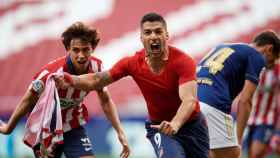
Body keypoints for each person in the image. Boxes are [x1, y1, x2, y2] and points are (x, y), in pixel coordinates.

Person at [56, 12, 209, 158]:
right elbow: (97, 80)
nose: (153, 37)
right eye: (148, 33)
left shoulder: (183, 62)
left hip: (193, 126)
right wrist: (70, 79)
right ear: (141, 38)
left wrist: (175, 123)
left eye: (158, 32)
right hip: (159, 128)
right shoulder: (132, 63)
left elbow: (189, 100)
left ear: (166, 35)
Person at [0, 22, 130, 158]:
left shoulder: (97, 67)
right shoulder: (50, 73)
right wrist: (9, 128)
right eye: (76, 50)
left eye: (85, 49)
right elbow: (28, 99)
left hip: (72, 125)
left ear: (93, 48)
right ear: (68, 49)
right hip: (46, 129)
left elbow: (105, 100)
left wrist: (119, 131)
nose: (81, 55)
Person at [196, 30, 280, 158]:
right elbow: (245, 100)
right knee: (233, 153)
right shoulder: (256, 56)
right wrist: (238, 141)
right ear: (269, 49)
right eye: (273, 59)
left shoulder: (222, 47)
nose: (272, 64)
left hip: (191, 102)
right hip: (213, 105)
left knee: (210, 152)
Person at [245, 60, 280, 158]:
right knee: (251, 154)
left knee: (256, 153)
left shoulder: (278, 71)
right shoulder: (255, 68)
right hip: (251, 119)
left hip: (267, 120)